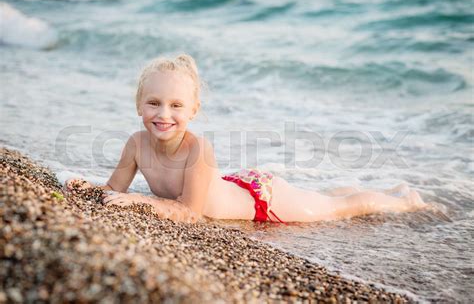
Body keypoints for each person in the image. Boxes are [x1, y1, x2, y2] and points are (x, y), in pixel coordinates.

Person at [65, 54, 427, 224]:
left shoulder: (198, 150)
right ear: (138, 105)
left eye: (176, 105)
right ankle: (345, 186)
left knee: (336, 209)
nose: (164, 114)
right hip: (237, 184)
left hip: (262, 201)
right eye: (154, 103)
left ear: (193, 111)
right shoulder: (135, 144)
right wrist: (87, 188)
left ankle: (405, 200)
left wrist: (140, 204)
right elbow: (115, 189)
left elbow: (189, 213)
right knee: (325, 197)